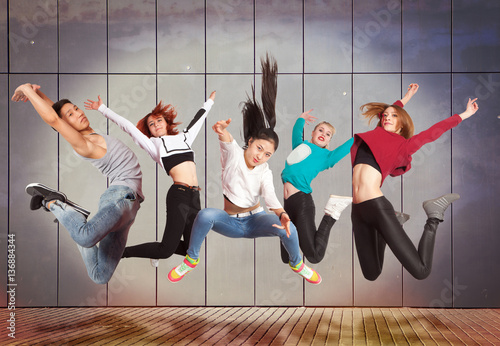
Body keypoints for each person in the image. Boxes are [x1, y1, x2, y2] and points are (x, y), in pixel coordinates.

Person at [167, 55, 322, 284]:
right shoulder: (234, 155)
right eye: (259, 148)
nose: (260, 156)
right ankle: (191, 259)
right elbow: (228, 140)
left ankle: (297, 263)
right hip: (230, 222)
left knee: (288, 228)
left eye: (267, 154)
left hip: (256, 219)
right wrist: (220, 129)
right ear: (250, 142)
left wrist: (282, 215)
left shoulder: (265, 171)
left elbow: (269, 195)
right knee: (205, 215)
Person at [12, 83, 144, 285]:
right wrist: (26, 89)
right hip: (121, 198)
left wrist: (36, 94)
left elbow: (56, 112)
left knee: (100, 275)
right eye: (71, 115)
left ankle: (75, 214)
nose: (78, 113)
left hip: (129, 211)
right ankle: (55, 204)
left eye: (76, 108)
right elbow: (55, 119)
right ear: (66, 126)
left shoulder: (92, 134)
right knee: (85, 237)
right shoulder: (85, 145)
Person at [350, 83, 478, 280]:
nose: (387, 117)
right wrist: (407, 96)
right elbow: (392, 109)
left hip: (376, 206)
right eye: (385, 115)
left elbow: (433, 132)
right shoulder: (376, 134)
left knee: (421, 270)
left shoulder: (403, 146)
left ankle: (434, 215)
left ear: (401, 124)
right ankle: (396, 222)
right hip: (357, 211)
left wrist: (464, 114)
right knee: (371, 273)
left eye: (393, 116)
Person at [84, 91, 216, 267]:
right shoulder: (154, 145)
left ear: (167, 122)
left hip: (194, 196)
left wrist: (209, 102)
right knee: (166, 250)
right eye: (151, 124)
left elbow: (198, 120)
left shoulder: (184, 137)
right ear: (150, 131)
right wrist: (102, 109)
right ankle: (120, 253)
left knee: (189, 248)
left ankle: (153, 252)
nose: (156, 125)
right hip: (179, 194)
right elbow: (128, 127)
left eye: (159, 120)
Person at [279, 109, 354, 264]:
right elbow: (296, 131)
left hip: (302, 202)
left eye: (328, 134)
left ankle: (331, 213)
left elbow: (346, 148)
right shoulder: (299, 146)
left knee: (314, 256)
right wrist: (301, 119)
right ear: (312, 133)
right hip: (287, 204)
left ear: (328, 142)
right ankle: (297, 265)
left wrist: (360, 138)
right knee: (285, 257)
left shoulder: (326, 157)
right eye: (321, 130)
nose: (323, 134)